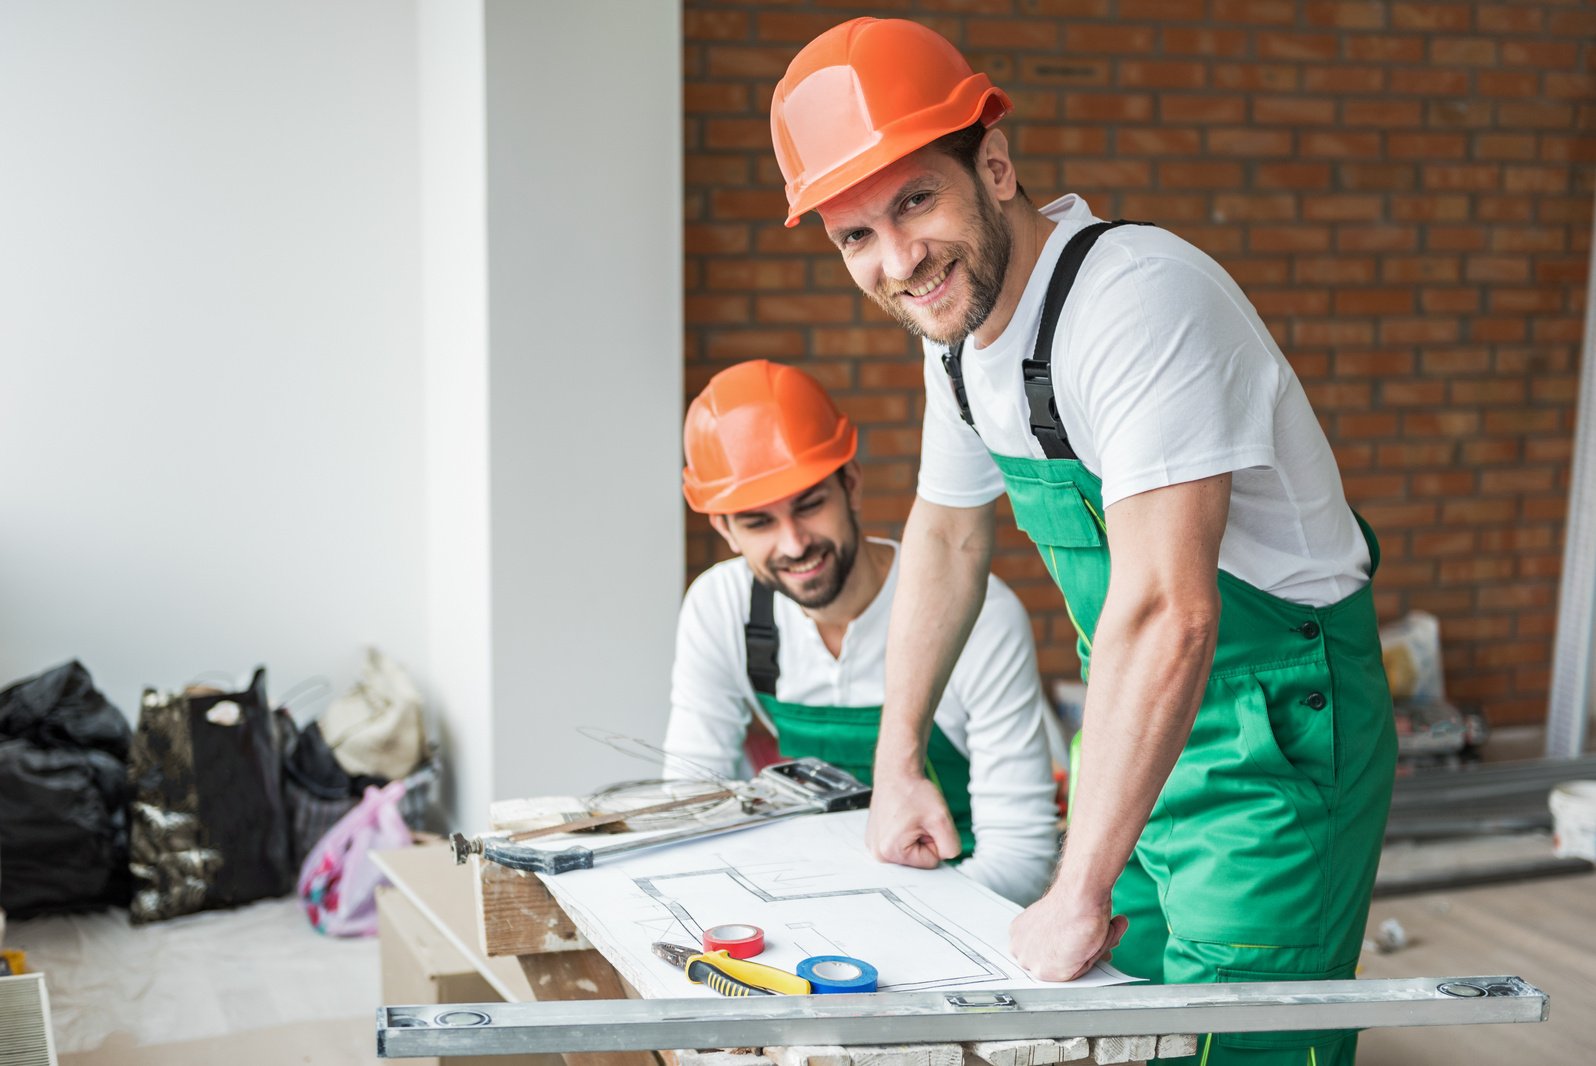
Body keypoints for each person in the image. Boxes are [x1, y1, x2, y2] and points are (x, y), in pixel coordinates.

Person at [767, 18, 1397, 1066]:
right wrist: (899, 755)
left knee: (1238, 1046)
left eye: (916, 200)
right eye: (856, 236)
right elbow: (946, 534)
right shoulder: (961, 340)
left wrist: (1079, 884)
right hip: (1139, 727)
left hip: (1273, 734)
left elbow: (1169, 611)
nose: (899, 259)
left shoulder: (1137, 303)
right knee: (1133, 1028)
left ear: (995, 165)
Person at [665, 358, 1061, 906]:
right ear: (724, 529)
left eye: (809, 505)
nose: (795, 543)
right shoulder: (721, 609)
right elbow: (692, 805)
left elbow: (1022, 857)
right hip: (801, 904)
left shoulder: (981, 616)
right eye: (759, 522)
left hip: (961, 904)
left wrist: (884, 922)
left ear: (850, 485)